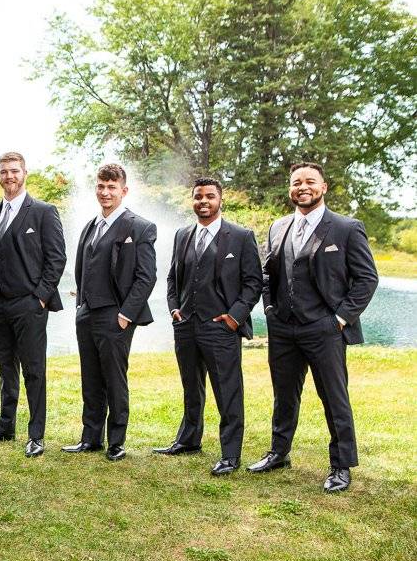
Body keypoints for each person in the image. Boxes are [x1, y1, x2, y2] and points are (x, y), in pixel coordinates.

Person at [250, 162, 378, 492]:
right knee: (284, 396)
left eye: (310, 181)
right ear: (290, 189)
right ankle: (278, 453)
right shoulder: (278, 227)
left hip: (325, 330)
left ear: (323, 188)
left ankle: (341, 465)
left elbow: (366, 279)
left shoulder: (347, 228)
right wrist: (269, 308)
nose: (302, 187)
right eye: (296, 182)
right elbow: (267, 275)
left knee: (334, 398)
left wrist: (339, 318)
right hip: (284, 329)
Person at [155, 177, 262, 475]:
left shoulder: (241, 236)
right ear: (192, 200)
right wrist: (174, 309)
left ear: (220, 200)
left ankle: (230, 455)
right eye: (198, 196)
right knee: (192, 388)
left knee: (228, 392)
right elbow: (172, 278)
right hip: (186, 325)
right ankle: (188, 440)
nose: (204, 201)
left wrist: (234, 316)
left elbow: (254, 282)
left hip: (221, 328)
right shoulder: (182, 235)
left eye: (210, 196)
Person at [0, 152, 66, 458]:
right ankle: (5, 425)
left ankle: (36, 434)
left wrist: (40, 296)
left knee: (34, 370)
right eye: (4, 171)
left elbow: (56, 258)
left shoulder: (43, 211)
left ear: (25, 173)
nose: (9, 176)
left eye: (14, 171)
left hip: (29, 304)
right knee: (5, 368)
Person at [63, 163, 156, 462]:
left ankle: (116, 441)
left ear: (123, 191)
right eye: (101, 187)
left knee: (114, 379)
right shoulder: (91, 225)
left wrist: (126, 313)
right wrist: (82, 299)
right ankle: (90, 438)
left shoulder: (139, 227)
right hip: (87, 313)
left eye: (111, 187)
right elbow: (86, 266)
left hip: (116, 316)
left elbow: (146, 276)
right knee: (90, 377)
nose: (105, 192)